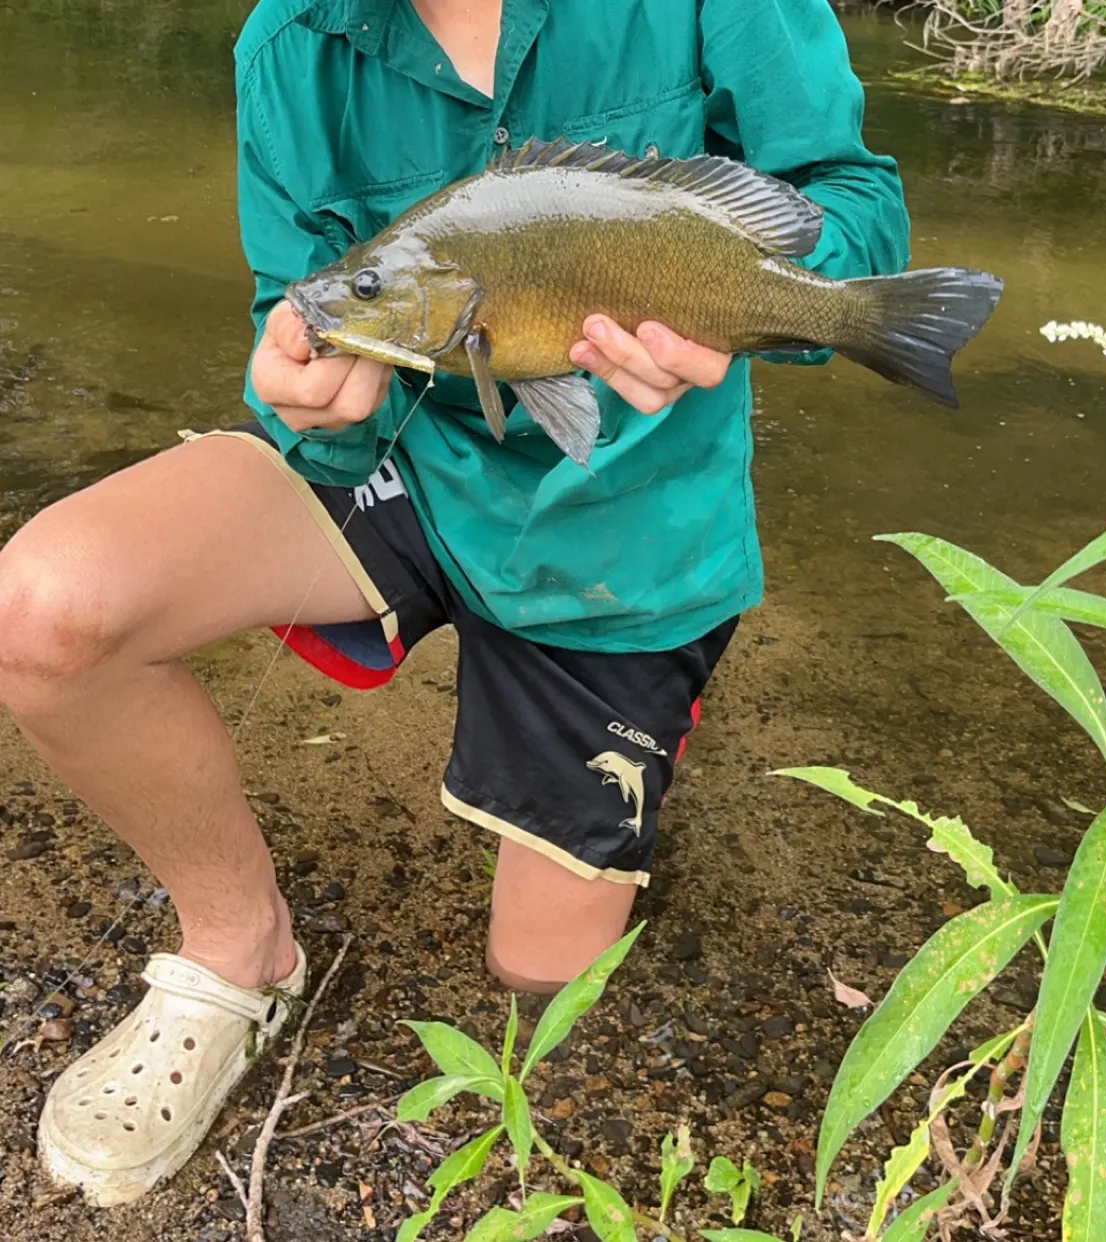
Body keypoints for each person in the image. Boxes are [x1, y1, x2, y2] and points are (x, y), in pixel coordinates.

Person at [0, 0, 909, 1210]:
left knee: (539, 988)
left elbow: (853, 207)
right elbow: (304, 301)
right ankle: (236, 954)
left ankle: (620, 802)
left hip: (619, 539)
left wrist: (766, 314)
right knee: (44, 610)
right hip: (398, 462)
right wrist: (296, 384)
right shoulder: (288, 43)